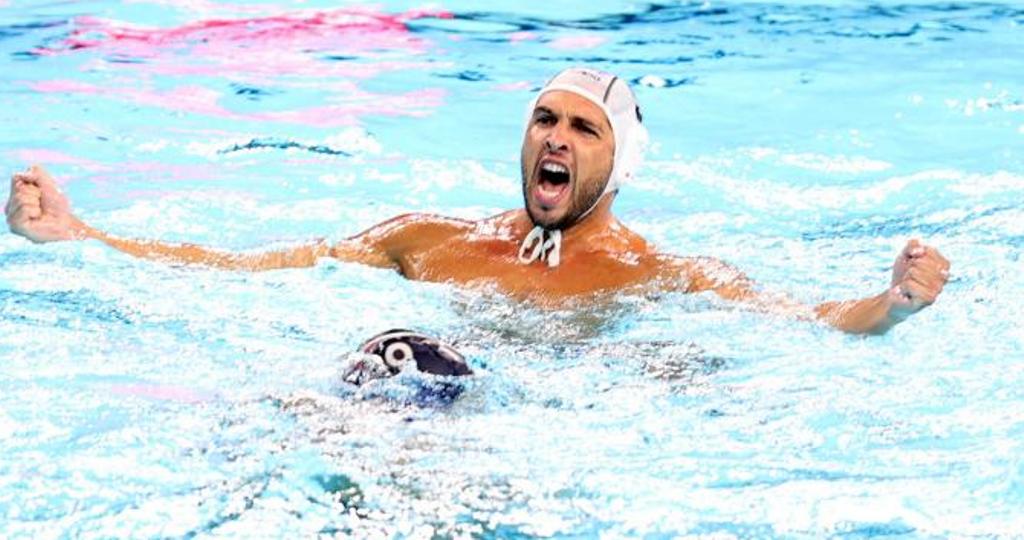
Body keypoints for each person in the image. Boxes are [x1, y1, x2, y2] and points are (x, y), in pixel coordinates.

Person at [5, 67, 949, 335]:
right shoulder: (423, 238)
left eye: (583, 130)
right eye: (544, 119)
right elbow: (248, 269)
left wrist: (894, 304)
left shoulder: (652, 272)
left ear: (618, 166)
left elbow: (808, 319)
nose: (555, 138)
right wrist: (83, 236)